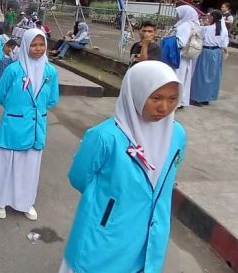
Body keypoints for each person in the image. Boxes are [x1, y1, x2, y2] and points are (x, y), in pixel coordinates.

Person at [58, 61, 185, 273]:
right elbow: (79, 178)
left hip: (148, 235)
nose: (164, 107)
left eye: (172, 99)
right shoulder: (105, 137)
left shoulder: (177, 135)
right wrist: (111, 206)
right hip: (106, 234)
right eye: (156, 98)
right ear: (135, 94)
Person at [0, 29, 59, 220]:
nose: (38, 49)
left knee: (30, 167)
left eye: (41, 44)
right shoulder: (14, 70)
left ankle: (25, 201)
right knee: (7, 163)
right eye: (33, 45)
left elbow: (52, 99)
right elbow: (0, 94)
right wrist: (16, 111)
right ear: (25, 46)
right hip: (13, 125)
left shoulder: (50, 71)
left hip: (36, 127)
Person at [190, 10, 229, 106]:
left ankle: (197, 97)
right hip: (217, 52)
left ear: (212, 17)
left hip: (206, 52)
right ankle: (206, 97)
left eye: (210, 16)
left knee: (202, 75)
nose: (208, 18)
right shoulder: (223, 29)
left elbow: (199, 37)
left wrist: (203, 24)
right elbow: (224, 43)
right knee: (213, 76)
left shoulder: (207, 29)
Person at [173, 4, 200, 108]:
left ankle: (176, 101)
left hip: (179, 55)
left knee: (177, 77)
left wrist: (170, 40)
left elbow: (181, 42)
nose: (177, 16)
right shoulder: (194, 24)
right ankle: (181, 100)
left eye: (179, 13)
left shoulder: (185, 26)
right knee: (184, 77)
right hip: (186, 56)